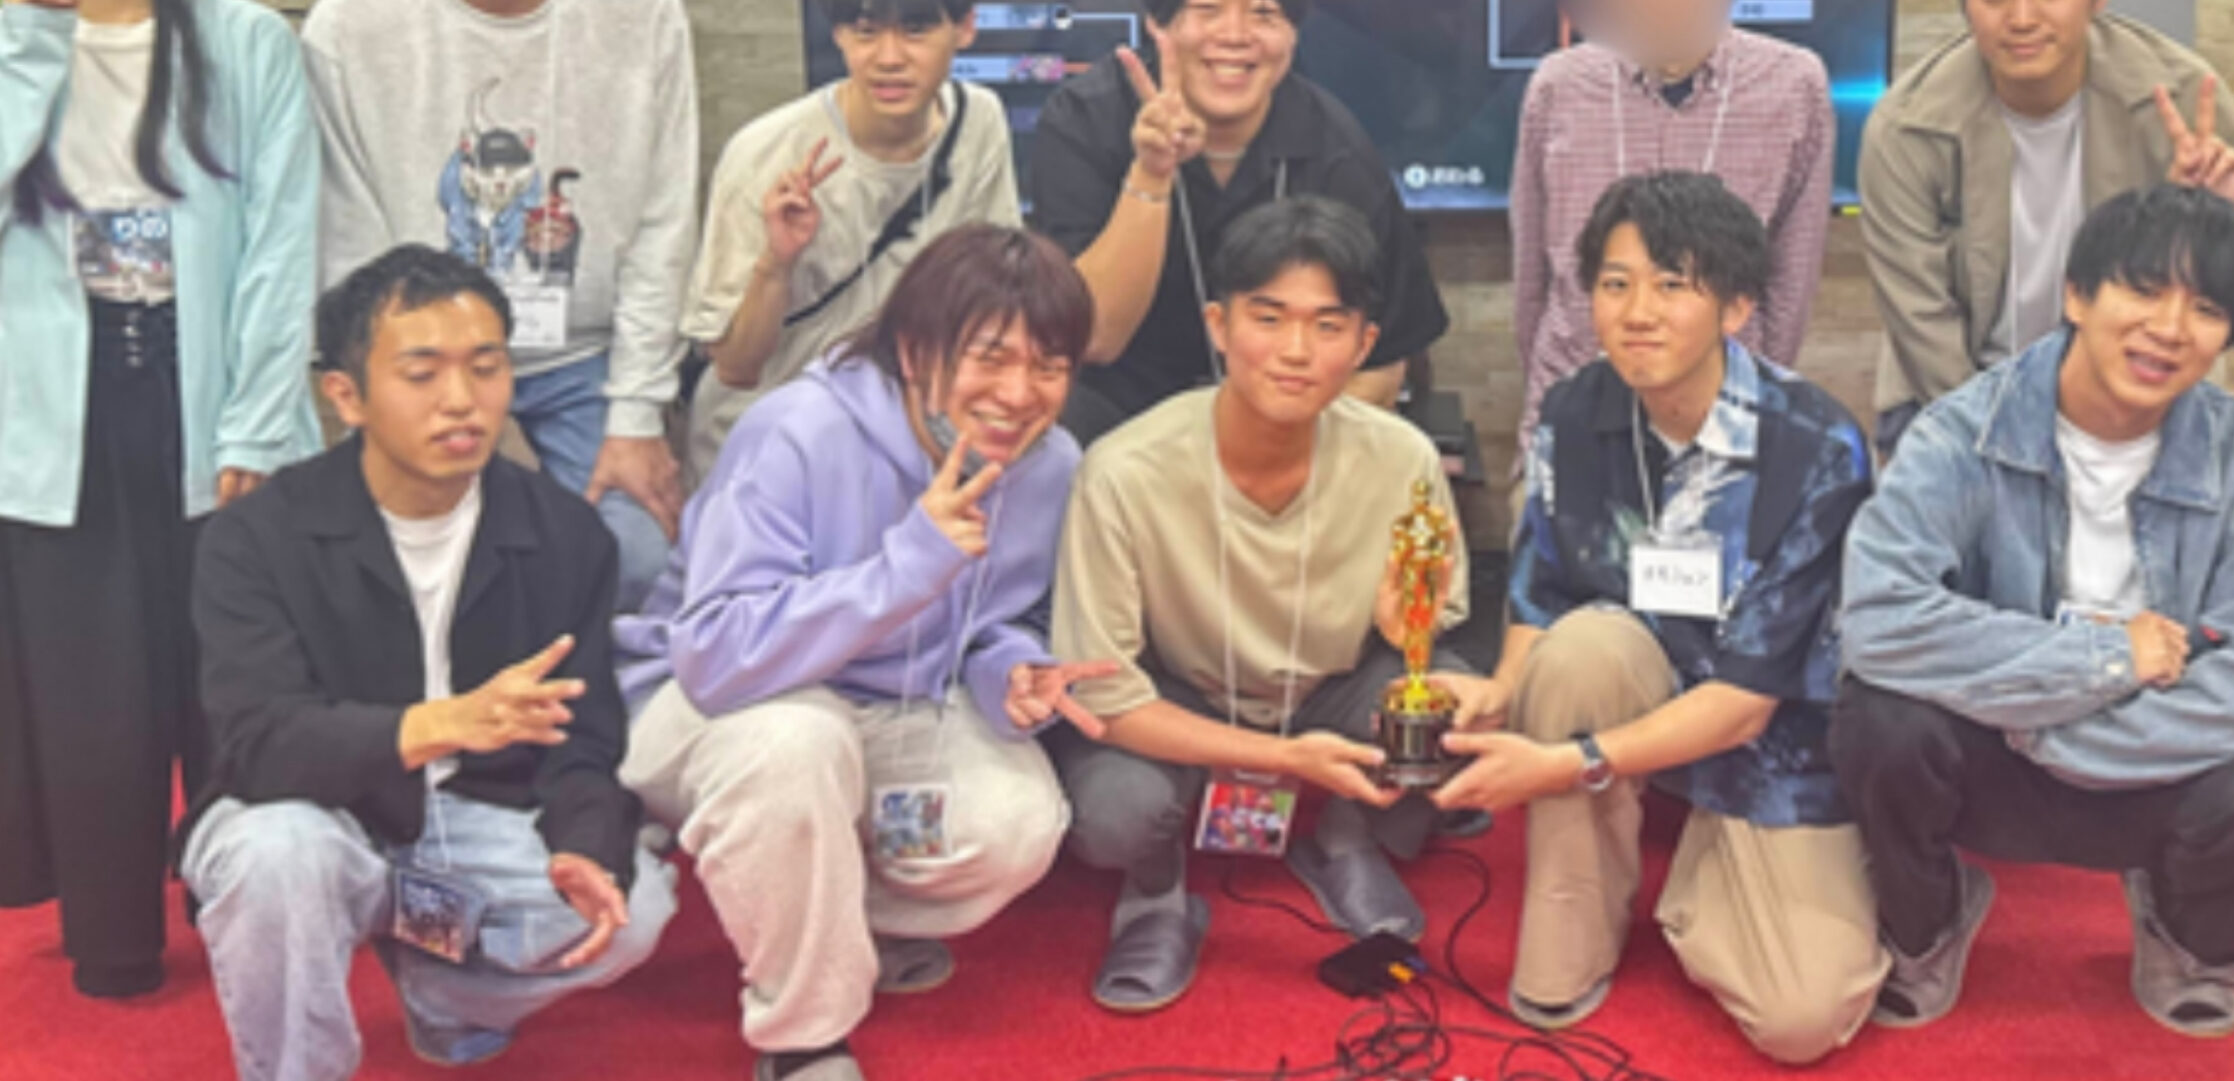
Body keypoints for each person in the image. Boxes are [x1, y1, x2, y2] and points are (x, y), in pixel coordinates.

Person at [1834, 184, 2234, 1037]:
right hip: (1993, 757)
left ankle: (2183, 927)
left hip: (2130, 756)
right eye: (2144, 289)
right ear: (2076, 293)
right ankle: (1929, 918)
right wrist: (2101, 662)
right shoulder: (1961, 432)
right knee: (1879, 720)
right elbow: (1878, 617)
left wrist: (2045, 725)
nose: (2170, 327)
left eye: (2207, 308)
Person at [618, 224, 1098, 1081]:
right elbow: (716, 654)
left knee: (1017, 826)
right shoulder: (796, 430)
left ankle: (822, 916)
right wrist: (907, 564)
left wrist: (1008, 669)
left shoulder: (1050, 461)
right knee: (795, 745)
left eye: (1049, 365)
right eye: (990, 357)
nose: (1019, 393)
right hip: (718, 703)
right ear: (914, 351)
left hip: (892, 710)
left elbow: (998, 617)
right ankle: (802, 1036)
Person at [183, 246, 675, 1081]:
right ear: (346, 396)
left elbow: (585, 740)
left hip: (475, 814)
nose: (461, 399)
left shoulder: (562, 532)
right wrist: (443, 722)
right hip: (312, 809)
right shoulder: (258, 535)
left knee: (634, 911)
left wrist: (585, 848)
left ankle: (443, 992)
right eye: (422, 373)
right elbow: (256, 743)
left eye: (486, 367)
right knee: (276, 859)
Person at [1432, 172, 1884, 1062]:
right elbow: (1542, 590)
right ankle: (1572, 933)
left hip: (1768, 736)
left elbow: (1750, 700)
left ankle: (1714, 859)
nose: (1637, 311)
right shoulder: (1575, 410)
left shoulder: (1817, 445)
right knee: (1577, 652)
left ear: (1737, 306)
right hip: (1630, 686)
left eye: (1672, 284)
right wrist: (1499, 690)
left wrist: (1567, 760)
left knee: (1800, 1020)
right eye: (1615, 282)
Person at [0, 0, 320, 1000]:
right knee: (89, 682)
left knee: (233, 672)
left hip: (210, 383)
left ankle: (250, 904)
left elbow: (284, 238)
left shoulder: (245, 40)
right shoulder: (8, 42)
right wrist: (29, 47)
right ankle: (114, 934)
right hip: (54, 408)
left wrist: (260, 419)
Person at [302, 0, 699, 607]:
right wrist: (433, 392)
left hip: (587, 359)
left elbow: (663, 225)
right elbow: (350, 246)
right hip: (422, 361)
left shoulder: (641, 10)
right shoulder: (350, 28)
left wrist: (638, 417)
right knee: (436, 573)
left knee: (637, 559)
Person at [1048, 195, 1469, 1012]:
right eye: (1268, 319)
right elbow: (1101, 688)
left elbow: (1433, 625)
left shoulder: (1403, 457)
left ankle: (1344, 838)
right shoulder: (1125, 468)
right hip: (1182, 690)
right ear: (1219, 323)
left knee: (1449, 716)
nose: (1295, 351)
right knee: (1115, 815)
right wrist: (1286, 758)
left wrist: (1402, 629)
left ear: (1365, 343)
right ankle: (1156, 889)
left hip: (1332, 683)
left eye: (1327, 325)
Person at [1858, 0, 2234, 451]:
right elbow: (1919, 321)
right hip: (1959, 399)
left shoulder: (2181, 98)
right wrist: (2005, 449)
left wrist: (2219, 221)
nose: (2022, 17)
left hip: (2144, 396)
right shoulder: (1907, 127)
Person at [1028, 0, 1447, 444]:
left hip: (1283, 444)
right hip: (1115, 438)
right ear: (1158, 22)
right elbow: (1094, 338)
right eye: (1206, 8)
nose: (1235, 34)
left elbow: (1381, 366)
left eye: (1264, 13)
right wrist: (1151, 175)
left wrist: (1261, 459)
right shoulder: (1086, 120)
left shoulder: (1336, 147)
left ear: (1294, 32)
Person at [1511, 0, 1835, 470]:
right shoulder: (1559, 86)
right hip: (1573, 424)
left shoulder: (1793, 85)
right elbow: (1533, 285)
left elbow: (1789, 288)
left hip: (1727, 429)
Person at [681, 0, 1019, 482]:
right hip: (774, 432)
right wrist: (777, 263)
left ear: (965, 28)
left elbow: (992, 296)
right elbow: (736, 369)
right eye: (865, 32)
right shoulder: (766, 154)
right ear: (838, 34)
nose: (888, 58)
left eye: (915, 30)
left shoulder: (978, 121)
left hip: (910, 425)